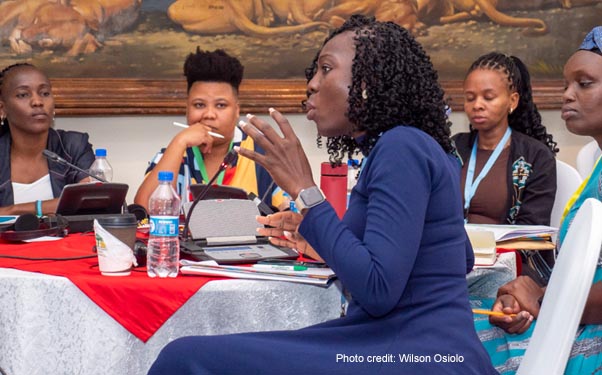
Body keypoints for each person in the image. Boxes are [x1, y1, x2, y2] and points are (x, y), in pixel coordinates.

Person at [149, 15, 497, 374]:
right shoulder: (403, 145)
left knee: (183, 359)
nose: (312, 85)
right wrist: (317, 237)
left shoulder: (401, 147)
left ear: (367, 82)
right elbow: (455, 257)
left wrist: (305, 190)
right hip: (403, 344)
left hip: (416, 354)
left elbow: (378, 290)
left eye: (325, 69)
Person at [474, 26, 602, 374]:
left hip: (587, 328)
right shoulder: (596, 167)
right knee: (450, 327)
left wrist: (544, 300)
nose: (568, 95)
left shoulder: (534, 156)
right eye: (565, 85)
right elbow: (567, 261)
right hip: (567, 311)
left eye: (584, 83)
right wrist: (521, 295)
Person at [134, 48, 285, 211]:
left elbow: (294, 215)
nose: (209, 114)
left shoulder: (263, 154)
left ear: (236, 111)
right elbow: (143, 213)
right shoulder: (171, 154)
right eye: (199, 105)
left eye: (221, 105)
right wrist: (180, 142)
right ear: (187, 110)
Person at [453, 52, 558, 226]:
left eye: (488, 97)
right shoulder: (453, 146)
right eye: (470, 98)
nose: (477, 105)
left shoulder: (536, 156)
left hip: (505, 251)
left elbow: (531, 229)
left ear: (513, 100)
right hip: (453, 249)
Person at [0, 63, 95, 216]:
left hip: (64, 240)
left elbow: (92, 201)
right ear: (2, 108)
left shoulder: (73, 146)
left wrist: (13, 210)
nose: (37, 102)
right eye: (23, 95)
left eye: (44, 93)